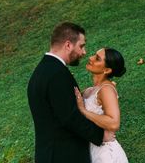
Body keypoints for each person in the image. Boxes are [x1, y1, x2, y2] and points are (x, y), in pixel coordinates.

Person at [28, 22, 104, 163]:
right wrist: (101, 135)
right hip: (63, 156)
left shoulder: (42, 71)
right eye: (81, 46)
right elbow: (70, 117)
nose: (84, 52)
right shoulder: (56, 74)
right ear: (68, 45)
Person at [75, 47, 129, 163]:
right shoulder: (90, 90)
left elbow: (114, 123)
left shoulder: (106, 90)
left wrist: (84, 111)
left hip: (106, 155)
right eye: (94, 55)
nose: (91, 58)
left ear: (107, 70)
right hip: (93, 149)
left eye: (97, 58)